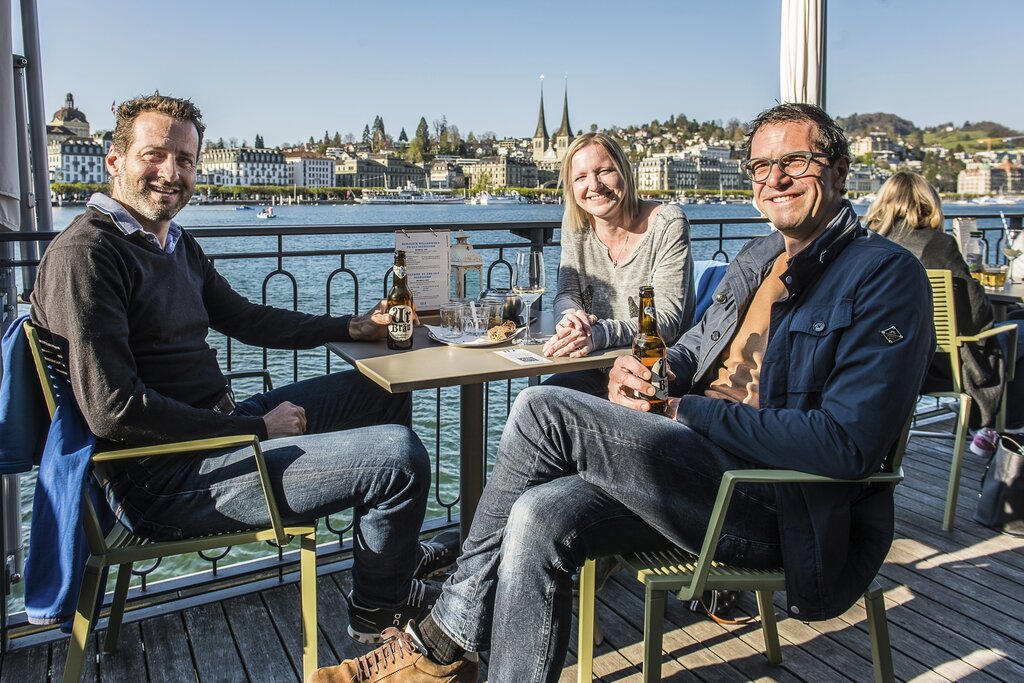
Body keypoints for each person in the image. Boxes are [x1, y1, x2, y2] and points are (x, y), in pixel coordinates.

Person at [308, 103, 934, 682]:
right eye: (761, 165)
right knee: (537, 515)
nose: (775, 178)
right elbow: (690, 347)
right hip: (694, 464)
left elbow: (848, 446)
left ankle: (440, 641)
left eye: (794, 162)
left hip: (772, 501)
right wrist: (649, 375)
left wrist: (684, 406)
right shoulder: (762, 255)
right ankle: (472, 646)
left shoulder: (883, 275)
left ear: (840, 169)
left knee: (542, 407)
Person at [29, 94, 458, 642]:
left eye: (185, 160)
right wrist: (257, 429)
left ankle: (389, 571)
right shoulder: (87, 256)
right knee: (398, 457)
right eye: (155, 155)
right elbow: (115, 412)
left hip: (219, 436)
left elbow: (248, 320)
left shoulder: (172, 244)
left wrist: (347, 327)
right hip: (168, 481)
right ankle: (381, 611)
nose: (172, 172)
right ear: (116, 162)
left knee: (380, 390)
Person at [864, 170, 1024, 456]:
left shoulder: (868, 244)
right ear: (929, 203)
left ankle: (995, 426)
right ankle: (1003, 427)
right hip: (943, 367)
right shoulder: (939, 245)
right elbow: (975, 318)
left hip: (888, 364)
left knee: (1015, 325)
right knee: (1016, 327)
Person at [540, 132, 694, 395]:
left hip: (654, 372)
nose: (594, 185)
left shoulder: (668, 224)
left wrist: (598, 333)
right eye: (580, 177)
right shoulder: (576, 223)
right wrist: (570, 320)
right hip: (594, 367)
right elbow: (567, 293)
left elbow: (665, 323)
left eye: (605, 171)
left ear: (625, 172)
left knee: (544, 409)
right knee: (532, 402)